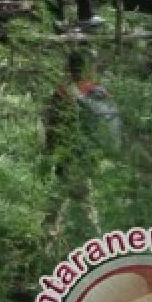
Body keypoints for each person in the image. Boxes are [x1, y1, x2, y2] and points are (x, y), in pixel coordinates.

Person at [43, 50, 121, 236]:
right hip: (89, 152)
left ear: (68, 68)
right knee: (80, 191)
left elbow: (53, 123)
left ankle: (51, 232)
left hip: (69, 151)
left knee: (67, 190)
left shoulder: (63, 92)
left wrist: (49, 149)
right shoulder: (97, 90)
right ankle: (87, 233)